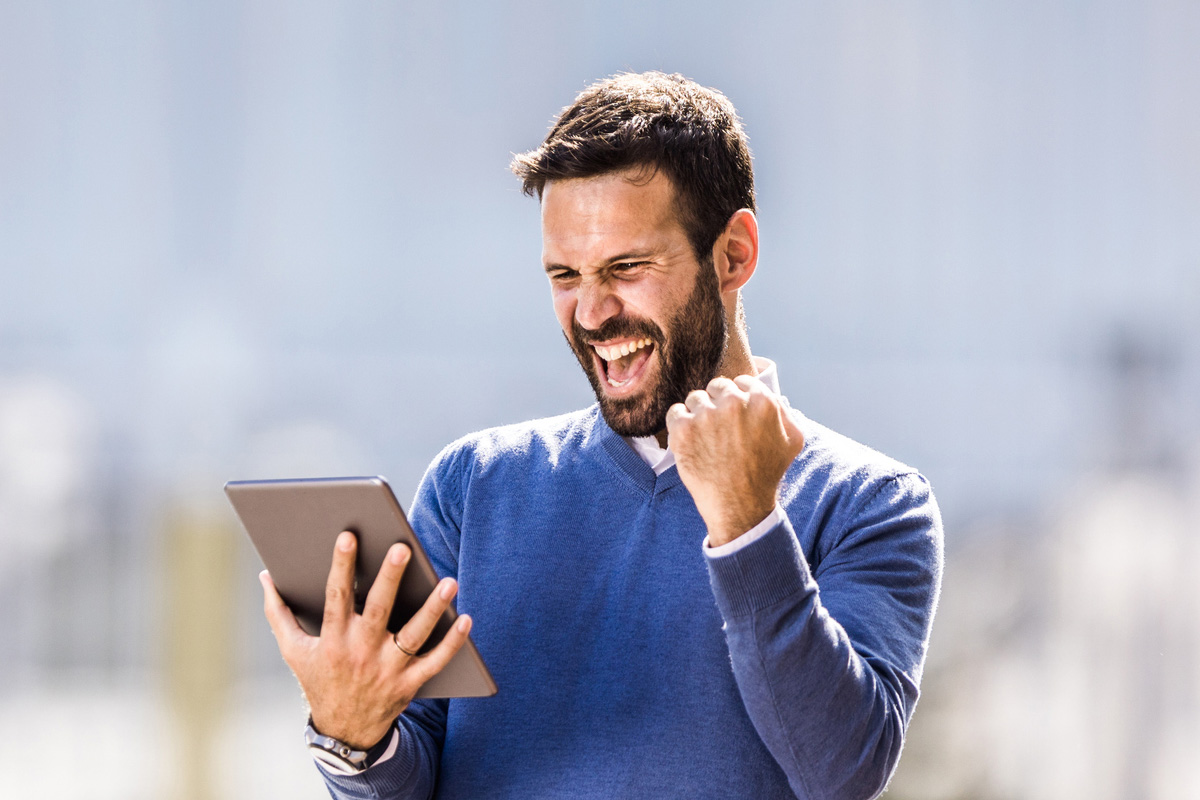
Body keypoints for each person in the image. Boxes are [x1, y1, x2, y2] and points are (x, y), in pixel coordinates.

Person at [260, 71, 943, 800]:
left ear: (733, 254)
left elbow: (842, 773)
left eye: (627, 267)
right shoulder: (473, 485)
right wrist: (352, 734)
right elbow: (409, 780)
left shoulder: (872, 505)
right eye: (564, 274)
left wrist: (748, 527)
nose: (591, 313)